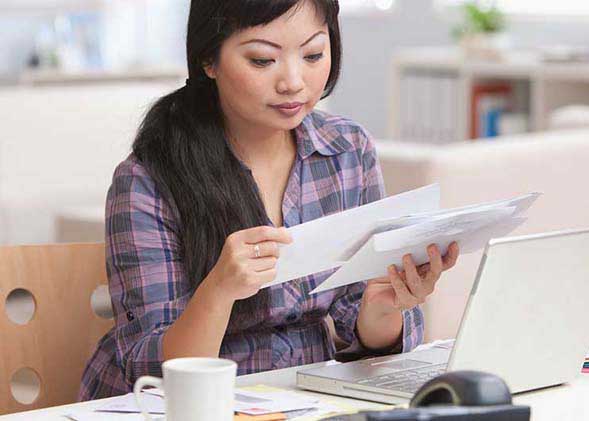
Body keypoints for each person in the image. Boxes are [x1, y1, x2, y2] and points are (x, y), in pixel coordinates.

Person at [78, 0, 459, 401]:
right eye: (262, 60)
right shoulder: (147, 180)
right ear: (209, 59)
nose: (294, 81)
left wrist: (383, 309)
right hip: (182, 405)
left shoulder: (347, 151)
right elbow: (150, 369)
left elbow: (357, 326)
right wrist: (219, 290)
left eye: (313, 54)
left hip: (303, 401)